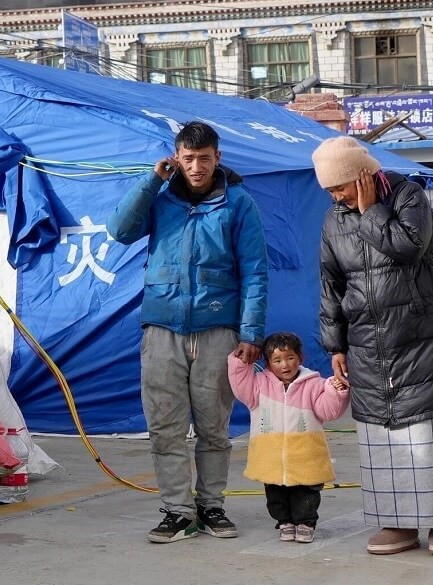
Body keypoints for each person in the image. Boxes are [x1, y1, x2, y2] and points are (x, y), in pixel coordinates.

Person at [106, 121, 269, 544]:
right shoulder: (160, 201)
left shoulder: (238, 204)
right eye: (189, 158)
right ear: (177, 158)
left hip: (218, 330)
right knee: (166, 426)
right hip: (162, 329)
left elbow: (255, 270)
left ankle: (211, 506)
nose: (196, 167)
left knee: (214, 426)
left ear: (218, 158)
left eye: (205, 158)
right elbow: (119, 230)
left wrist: (250, 333)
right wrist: (150, 180)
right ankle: (178, 512)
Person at [312, 136, 433, 556]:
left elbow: (409, 246)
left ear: (362, 175)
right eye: (329, 190)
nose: (336, 196)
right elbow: (330, 283)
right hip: (366, 342)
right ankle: (396, 524)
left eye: (340, 186)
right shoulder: (332, 221)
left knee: (425, 434)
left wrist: (369, 212)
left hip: (418, 338)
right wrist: (335, 344)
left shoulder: (408, 196)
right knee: (383, 441)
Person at [227, 332, 350, 544]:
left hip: (306, 455)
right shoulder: (257, 386)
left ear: (300, 358)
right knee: (275, 495)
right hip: (270, 456)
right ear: (268, 363)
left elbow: (328, 412)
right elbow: (239, 383)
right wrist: (240, 361)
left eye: (290, 358)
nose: (285, 365)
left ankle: (306, 523)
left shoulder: (314, 384)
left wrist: (335, 391)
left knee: (307, 493)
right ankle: (284, 522)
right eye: (277, 360)